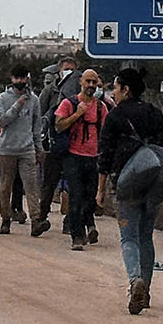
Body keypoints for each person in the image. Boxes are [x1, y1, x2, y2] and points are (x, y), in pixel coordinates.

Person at [98, 66, 163, 314]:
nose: (114, 92)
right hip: (152, 183)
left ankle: (135, 281)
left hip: (126, 183)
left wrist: (100, 190)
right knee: (145, 236)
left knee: (128, 237)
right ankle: (146, 291)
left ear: (126, 89)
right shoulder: (153, 112)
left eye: (116, 87)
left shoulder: (115, 116)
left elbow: (105, 156)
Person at [52, 69, 109, 251]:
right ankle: (77, 235)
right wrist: (77, 114)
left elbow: (107, 132)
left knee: (89, 196)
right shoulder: (69, 104)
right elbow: (58, 126)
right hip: (73, 155)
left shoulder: (101, 108)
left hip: (93, 157)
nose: (91, 86)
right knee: (75, 195)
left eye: (94, 82)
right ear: (81, 83)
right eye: (88, 82)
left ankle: (86, 226)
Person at [0, 65, 48, 236]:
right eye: (16, 78)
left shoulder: (34, 100)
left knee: (31, 186)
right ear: (11, 79)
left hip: (27, 149)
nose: (20, 82)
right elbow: (1, 121)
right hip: (6, 149)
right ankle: (5, 220)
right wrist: (17, 106)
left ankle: (36, 220)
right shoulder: (3, 98)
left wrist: (39, 148)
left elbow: (36, 126)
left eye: (22, 78)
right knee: (5, 187)